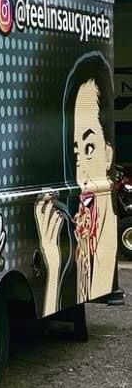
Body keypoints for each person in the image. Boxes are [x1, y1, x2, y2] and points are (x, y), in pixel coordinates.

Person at [34, 52, 117, 314]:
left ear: (108, 153)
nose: (81, 175)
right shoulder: (83, 247)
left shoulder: (105, 252)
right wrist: (54, 264)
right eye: (76, 151)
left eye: (89, 146)